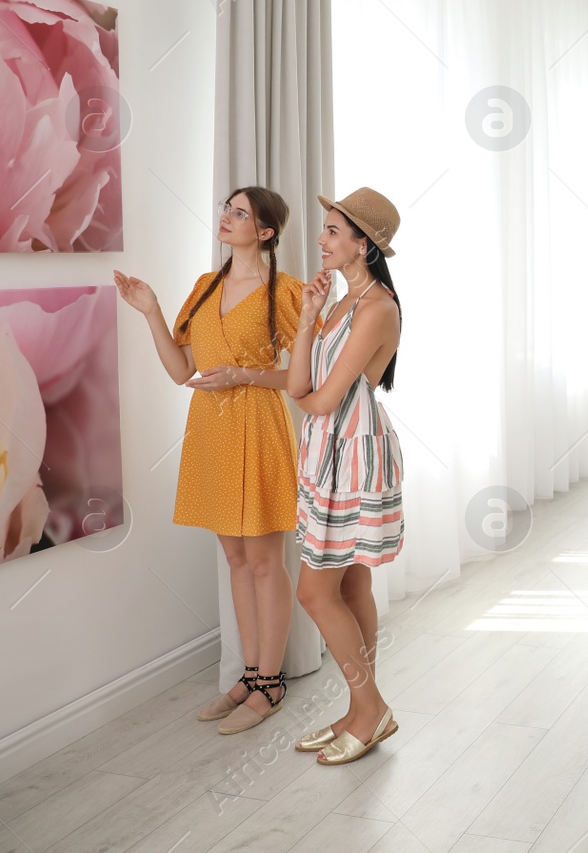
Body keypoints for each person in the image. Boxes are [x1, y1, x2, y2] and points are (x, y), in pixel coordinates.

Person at [112, 187, 303, 734]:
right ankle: (248, 676)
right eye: (227, 208)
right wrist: (150, 310)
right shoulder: (204, 287)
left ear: (265, 233)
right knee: (237, 562)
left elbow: (301, 378)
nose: (227, 217)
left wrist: (245, 374)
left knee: (267, 562)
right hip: (211, 432)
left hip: (260, 427)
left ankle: (270, 685)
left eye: (240, 213)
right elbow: (180, 371)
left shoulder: (284, 293)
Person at [288, 188, 406, 766]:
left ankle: (371, 706)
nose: (321, 239)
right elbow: (296, 388)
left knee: (314, 591)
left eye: (333, 230)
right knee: (352, 586)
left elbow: (321, 398)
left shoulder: (377, 307)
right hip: (327, 448)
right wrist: (309, 317)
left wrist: (310, 395)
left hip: (352, 452)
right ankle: (363, 710)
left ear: (364, 244)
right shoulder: (340, 302)